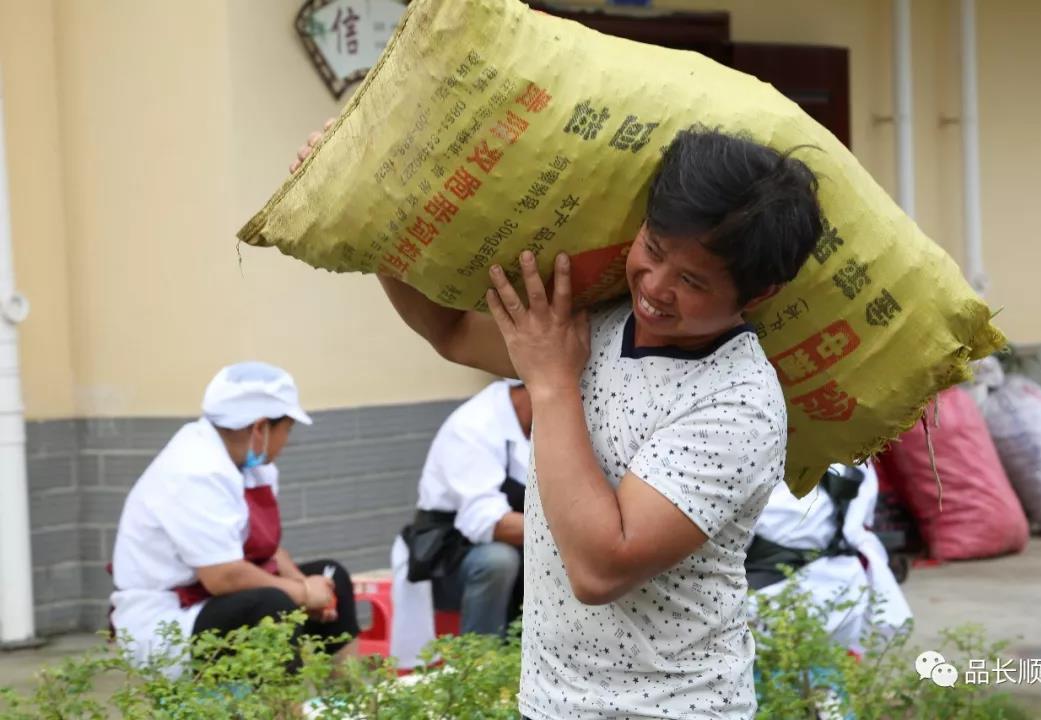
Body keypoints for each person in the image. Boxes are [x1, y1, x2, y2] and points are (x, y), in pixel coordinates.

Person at [293, 125, 822, 718]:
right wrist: (364, 214)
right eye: (653, 248)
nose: (654, 286)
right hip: (550, 703)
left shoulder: (739, 404)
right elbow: (453, 332)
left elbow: (600, 568)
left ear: (759, 292)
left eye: (692, 281)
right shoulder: (598, 322)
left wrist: (550, 383)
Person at [110, 362, 359, 673]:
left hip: (216, 600)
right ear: (260, 428)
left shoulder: (250, 463)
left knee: (332, 577)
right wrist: (302, 593)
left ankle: (349, 702)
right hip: (169, 620)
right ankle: (281, 710)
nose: (288, 441)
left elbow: (264, 549)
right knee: (271, 608)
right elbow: (223, 576)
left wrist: (304, 583)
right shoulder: (196, 470)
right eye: (287, 430)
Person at [389, 379, 531, 668]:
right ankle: (480, 665)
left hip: (517, 548)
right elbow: (488, 522)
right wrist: (567, 533)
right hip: (445, 558)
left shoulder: (541, 426)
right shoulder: (474, 425)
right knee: (497, 561)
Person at [746, 463, 912, 652]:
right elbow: (860, 525)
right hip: (847, 595)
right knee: (830, 674)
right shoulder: (861, 457)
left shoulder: (757, 459)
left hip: (768, 604)